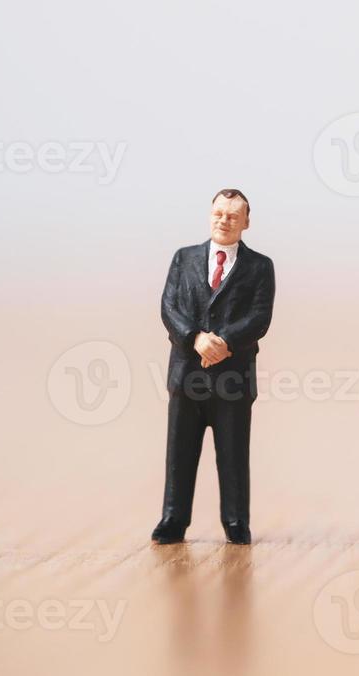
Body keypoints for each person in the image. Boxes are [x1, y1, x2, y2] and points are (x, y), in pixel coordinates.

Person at [153, 188, 276, 545]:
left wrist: (223, 342)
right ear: (210, 215)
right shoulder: (183, 258)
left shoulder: (260, 266)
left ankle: (236, 521)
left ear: (246, 222)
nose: (225, 220)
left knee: (234, 454)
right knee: (179, 452)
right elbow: (169, 307)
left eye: (233, 215)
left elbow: (260, 317)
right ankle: (173, 518)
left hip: (233, 378)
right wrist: (194, 338)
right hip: (186, 376)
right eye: (219, 213)